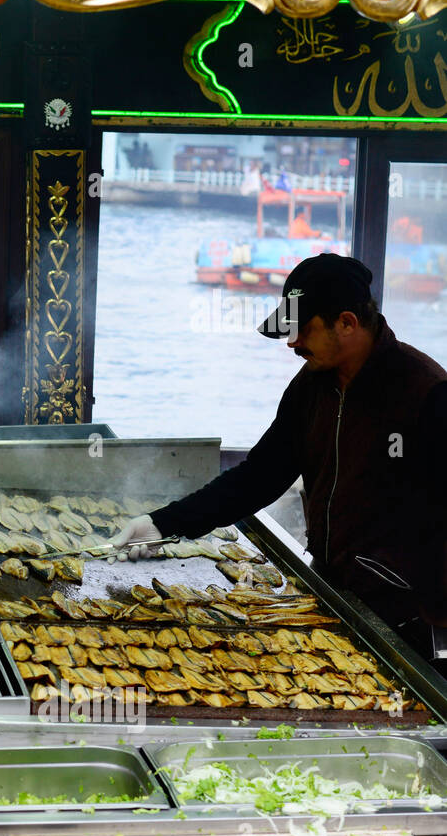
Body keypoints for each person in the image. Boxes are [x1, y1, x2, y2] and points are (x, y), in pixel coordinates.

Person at [112, 254, 447, 662]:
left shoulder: (425, 393)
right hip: (332, 594)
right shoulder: (312, 387)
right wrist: (162, 523)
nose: (292, 343)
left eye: (303, 329)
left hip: (408, 622)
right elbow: (259, 476)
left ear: (347, 322)